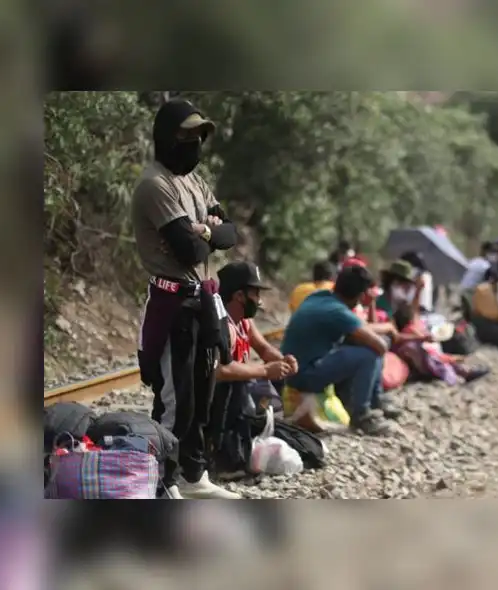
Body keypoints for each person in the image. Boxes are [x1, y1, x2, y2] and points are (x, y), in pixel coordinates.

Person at [132, 98, 241, 500]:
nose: (195, 144)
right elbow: (187, 251)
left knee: (203, 395)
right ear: (166, 138)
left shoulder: (195, 182)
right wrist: (206, 236)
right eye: (187, 136)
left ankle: (193, 476)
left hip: (202, 300)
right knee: (175, 399)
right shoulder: (154, 185)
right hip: (172, 303)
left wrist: (208, 232)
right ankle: (162, 481)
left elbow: (229, 234)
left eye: (200, 136)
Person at [280, 265, 398, 435]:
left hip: (293, 370)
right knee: (369, 354)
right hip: (304, 376)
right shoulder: (338, 312)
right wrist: (388, 332)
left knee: (358, 345)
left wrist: (385, 328)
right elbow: (379, 346)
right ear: (361, 296)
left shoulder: (318, 298)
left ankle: (372, 401)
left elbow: (359, 327)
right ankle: (362, 415)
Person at [215, 261, 298, 408]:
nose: (259, 301)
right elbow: (221, 370)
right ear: (239, 295)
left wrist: (283, 361)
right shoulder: (224, 327)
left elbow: (263, 349)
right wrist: (265, 370)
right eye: (256, 294)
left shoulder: (244, 322)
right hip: (220, 402)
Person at [390, 306, 490, 385]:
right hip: (426, 369)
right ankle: (461, 375)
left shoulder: (411, 339)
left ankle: (465, 372)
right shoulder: (412, 343)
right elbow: (435, 358)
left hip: (427, 364)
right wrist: (451, 358)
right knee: (441, 363)